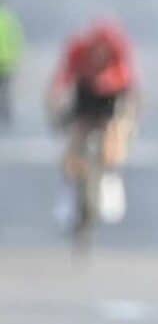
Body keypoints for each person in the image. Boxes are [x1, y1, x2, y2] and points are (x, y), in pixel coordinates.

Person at [48, 18, 139, 225]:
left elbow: (129, 88)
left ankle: (111, 177)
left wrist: (127, 121)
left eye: (103, 51)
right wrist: (56, 109)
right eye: (95, 50)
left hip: (111, 94)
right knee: (76, 136)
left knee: (114, 131)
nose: (99, 55)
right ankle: (69, 190)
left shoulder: (119, 52)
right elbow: (61, 81)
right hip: (85, 92)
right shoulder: (77, 50)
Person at [0, 0, 22, 127]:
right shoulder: (10, 19)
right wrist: (16, 56)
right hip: (8, 60)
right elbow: (18, 38)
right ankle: (6, 114)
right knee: (5, 90)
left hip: (6, 60)